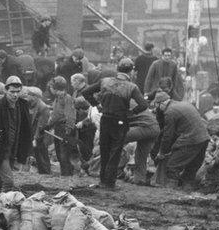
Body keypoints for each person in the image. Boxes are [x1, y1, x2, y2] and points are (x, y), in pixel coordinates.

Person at [82, 58, 148, 190]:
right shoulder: (131, 87)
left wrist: (98, 105)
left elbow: (86, 92)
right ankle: (110, 183)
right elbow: (143, 105)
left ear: (118, 69)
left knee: (104, 150)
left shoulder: (105, 81)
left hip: (105, 119)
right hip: (120, 121)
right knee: (115, 151)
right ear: (131, 71)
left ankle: (102, 181)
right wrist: (130, 113)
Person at [0, 75, 33, 193]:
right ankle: (2, 206)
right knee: (8, 182)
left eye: (18, 92)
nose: (15, 95)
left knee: (0, 180)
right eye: (12, 92)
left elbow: (27, 130)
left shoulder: (23, 105)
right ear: (5, 90)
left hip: (14, 149)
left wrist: (27, 150)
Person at [153, 91, 210, 190]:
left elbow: (167, 136)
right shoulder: (184, 103)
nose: (157, 109)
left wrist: (162, 152)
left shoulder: (169, 112)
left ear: (161, 103)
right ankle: (187, 191)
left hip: (191, 139)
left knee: (173, 165)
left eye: (157, 106)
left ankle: (170, 191)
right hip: (204, 138)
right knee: (191, 167)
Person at [46, 76, 78, 177]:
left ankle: (67, 175)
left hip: (65, 129)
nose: (50, 89)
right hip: (58, 128)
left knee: (65, 155)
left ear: (55, 88)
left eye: (51, 87)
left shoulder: (67, 98)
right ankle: (64, 174)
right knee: (60, 153)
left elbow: (70, 116)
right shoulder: (57, 99)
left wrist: (68, 130)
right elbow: (56, 113)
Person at [26, 87, 52, 175]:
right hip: (31, 133)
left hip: (41, 136)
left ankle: (46, 173)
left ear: (35, 96)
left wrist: (35, 138)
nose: (27, 96)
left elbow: (41, 125)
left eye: (29, 95)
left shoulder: (43, 108)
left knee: (41, 155)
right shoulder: (30, 104)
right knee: (34, 154)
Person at [73, 96, 97, 175]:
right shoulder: (90, 110)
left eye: (78, 110)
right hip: (84, 132)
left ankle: (88, 169)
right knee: (84, 151)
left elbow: (91, 119)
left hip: (89, 132)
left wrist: (82, 123)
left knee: (88, 150)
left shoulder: (92, 111)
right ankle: (87, 169)